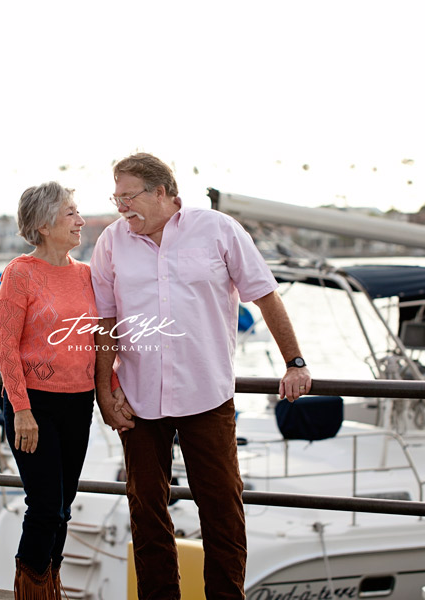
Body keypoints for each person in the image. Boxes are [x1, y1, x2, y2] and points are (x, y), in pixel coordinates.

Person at [90, 153, 312, 600]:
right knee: (146, 514)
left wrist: (295, 362)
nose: (121, 207)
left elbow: (265, 296)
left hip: (206, 396)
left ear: (162, 193)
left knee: (222, 513)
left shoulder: (218, 229)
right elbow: (104, 323)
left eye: (128, 196)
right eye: (116, 198)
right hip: (138, 398)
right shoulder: (112, 242)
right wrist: (104, 390)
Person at [0, 181, 97, 599]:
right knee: (44, 507)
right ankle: (31, 592)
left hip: (79, 402)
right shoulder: (20, 273)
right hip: (33, 405)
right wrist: (21, 409)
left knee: (64, 508)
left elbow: (100, 339)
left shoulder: (88, 275)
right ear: (42, 223)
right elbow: (6, 347)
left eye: (77, 211)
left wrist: (109, 391)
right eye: (70, 212)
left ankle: (49, 589)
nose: (80, 220)